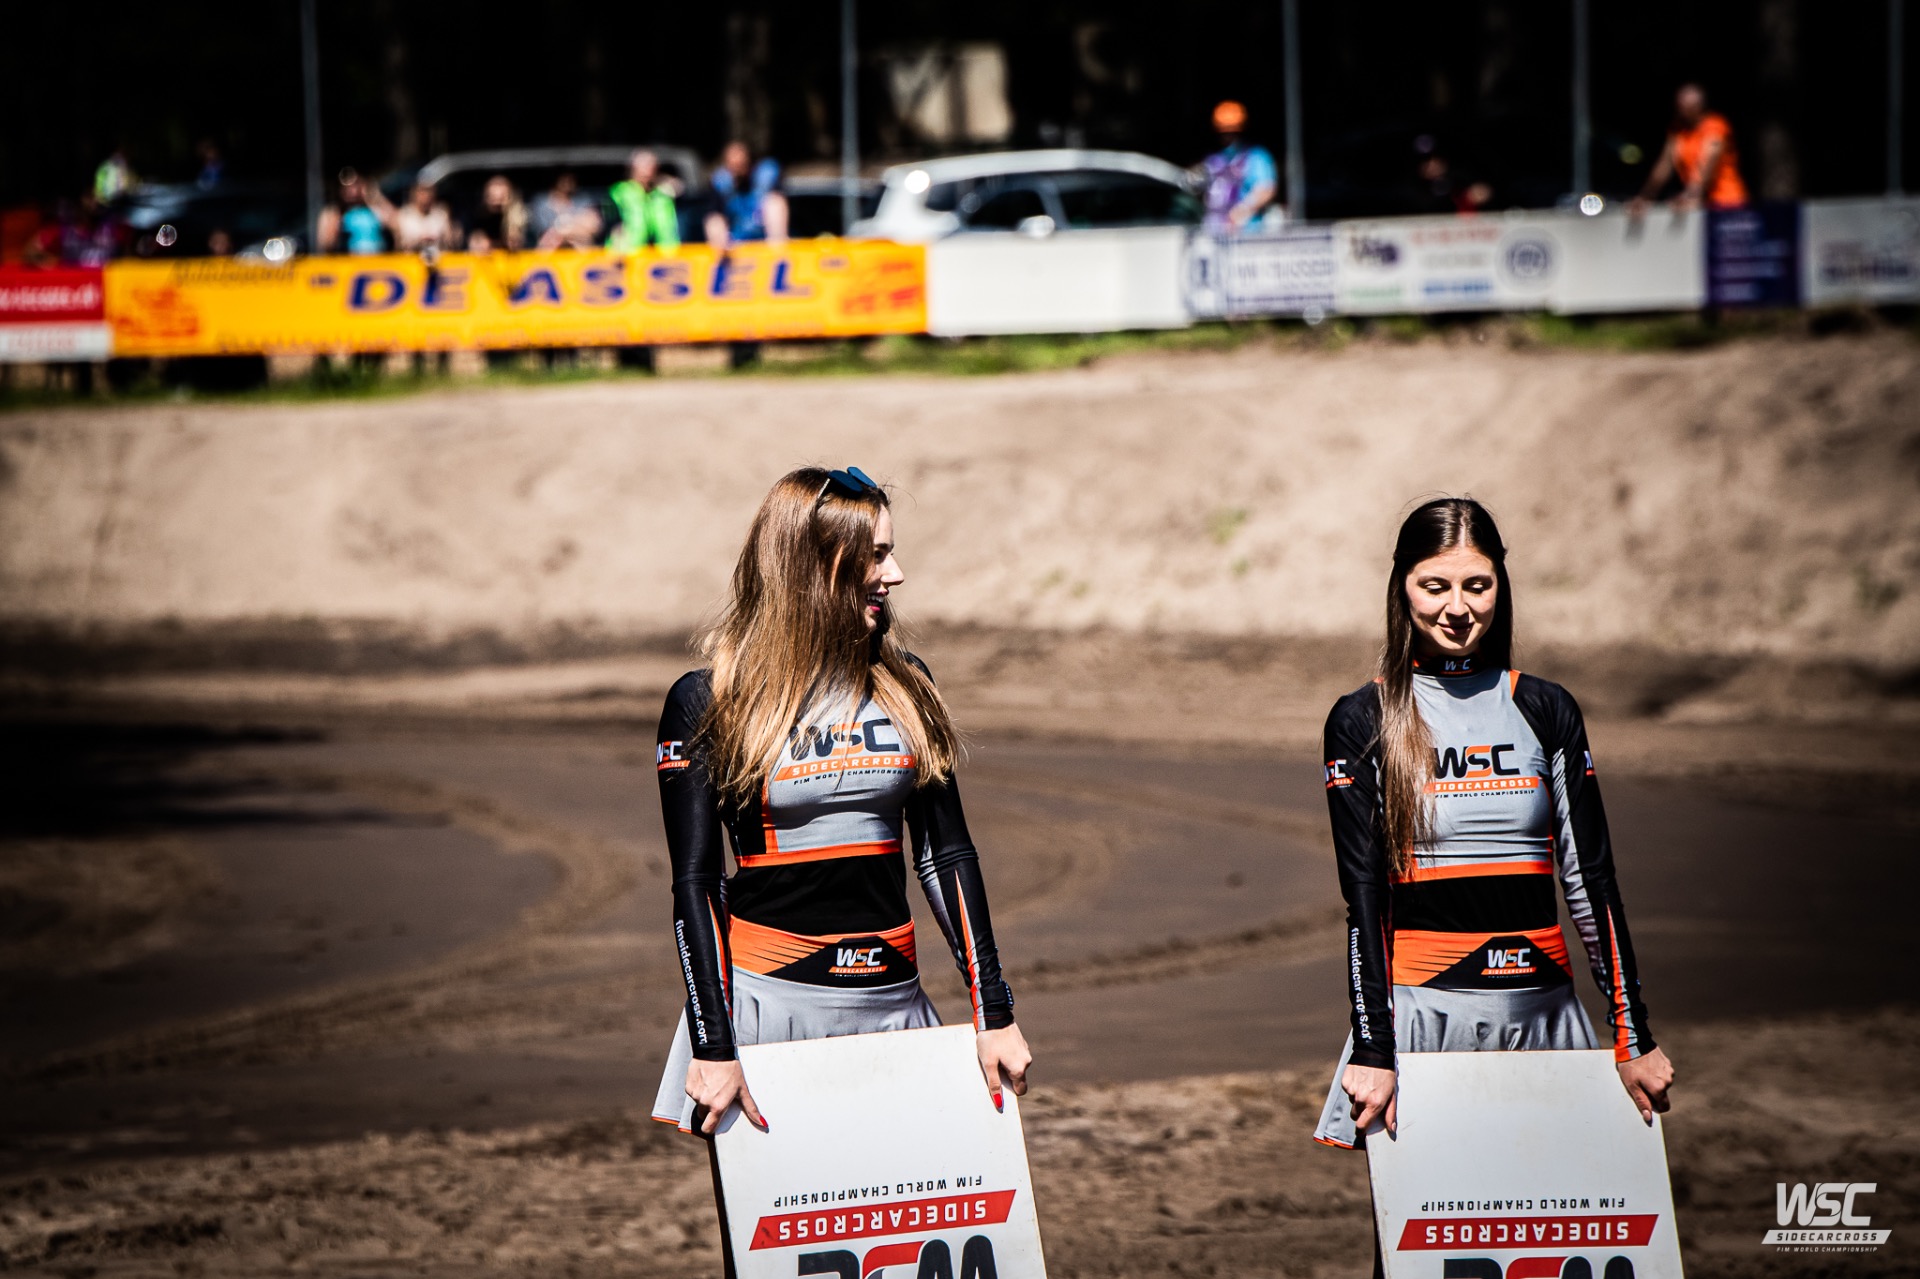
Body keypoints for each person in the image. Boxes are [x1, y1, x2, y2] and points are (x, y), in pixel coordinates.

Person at [1312, 499, 1675, 1263]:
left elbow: (1591, 881)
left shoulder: (1545, 708)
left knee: (1552, 1243)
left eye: (1476, 585)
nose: (1457, 607)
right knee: (1423, 1255)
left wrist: (1632, 1031)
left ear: (1500, 586)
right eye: (1434, 585)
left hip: (1545, 1017)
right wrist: (1374, 1048)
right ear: (1402, 588)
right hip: (1422, 1026)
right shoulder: (1363, 719)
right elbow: (1364, 901)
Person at [650, 465, 1033, 1159]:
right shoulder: (710, 698)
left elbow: (946, 855)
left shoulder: (906, 684)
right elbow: (696, 883)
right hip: (768, 1016)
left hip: (895, 1007)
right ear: (815, 565)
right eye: (876, 555)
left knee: (918, 1208)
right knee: (792, 1222)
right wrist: (715, 1044)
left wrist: (994, 1012)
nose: (896, 574)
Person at [1631, 83, 1749, 215]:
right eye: (1679, 106)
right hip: (1698, 203)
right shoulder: (1677, 130)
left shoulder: (1715, 126)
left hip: (1726, 202)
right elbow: (1664, 165)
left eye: (1687, 107)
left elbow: (1708, 162)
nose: (1682, 110)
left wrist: (1691, 193)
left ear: (1699, 106)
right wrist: (1646, 196)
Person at [1199, 100, 1280, 232]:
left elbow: (1266, 189)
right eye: (1224, 133)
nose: (1228, 138)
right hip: (1214, 231)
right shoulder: (1213, 158)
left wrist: (1241, 212)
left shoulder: (1256, 156)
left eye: (1232, 133)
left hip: (1247, 233)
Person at [702, 141, 788, 250]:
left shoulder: (766, 175)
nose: (737, 169)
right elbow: (714, 216)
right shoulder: (721, 182)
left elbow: (779, 202)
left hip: (766, 238)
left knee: (775, 202)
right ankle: (721, 255)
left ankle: (778, 251)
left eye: (741, 164)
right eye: (733, 165)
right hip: (735, 241)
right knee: (713, 220)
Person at [607, 148, 680, 252]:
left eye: (651, 165)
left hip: (665, 255)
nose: (647, 170)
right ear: (632, 168)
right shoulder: (619, 192)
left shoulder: (665, 191)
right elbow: (610, 221)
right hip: (630, 254)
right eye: (643, 165)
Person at [316, 170, 394, 255]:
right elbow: (326, 244)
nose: (351, 191)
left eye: (355, 185)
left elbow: (394, 224)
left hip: (379, 259)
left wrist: (373, 196)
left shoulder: (375, 208)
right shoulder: (334, 212)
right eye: (346, 187)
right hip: (349, 261)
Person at [532, 173, 603, 250]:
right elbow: (546, 232)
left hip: (580, 248)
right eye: (564, 179)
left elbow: (594, 226)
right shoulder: (542, 202)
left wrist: (562, 229)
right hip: (552, 249)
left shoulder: (583, 199)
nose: (568, 182)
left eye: (571, 179)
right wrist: (576, 226)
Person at [465, 174, 527, 253]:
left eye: (502, 198)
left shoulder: (520, 218)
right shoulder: (475, 220)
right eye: (493, 198)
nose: (497, 204)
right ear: (485, 198)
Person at [394, 181, 457, 253]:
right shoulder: (404, 215)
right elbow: (399, 246)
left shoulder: (441, 214)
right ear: (415, 192)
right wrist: (417, 242)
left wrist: (452, 236)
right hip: (410, 258)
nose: (426, 195)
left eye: (429, 191)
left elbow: (450, 242)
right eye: (422, 191)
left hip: (438, 257)